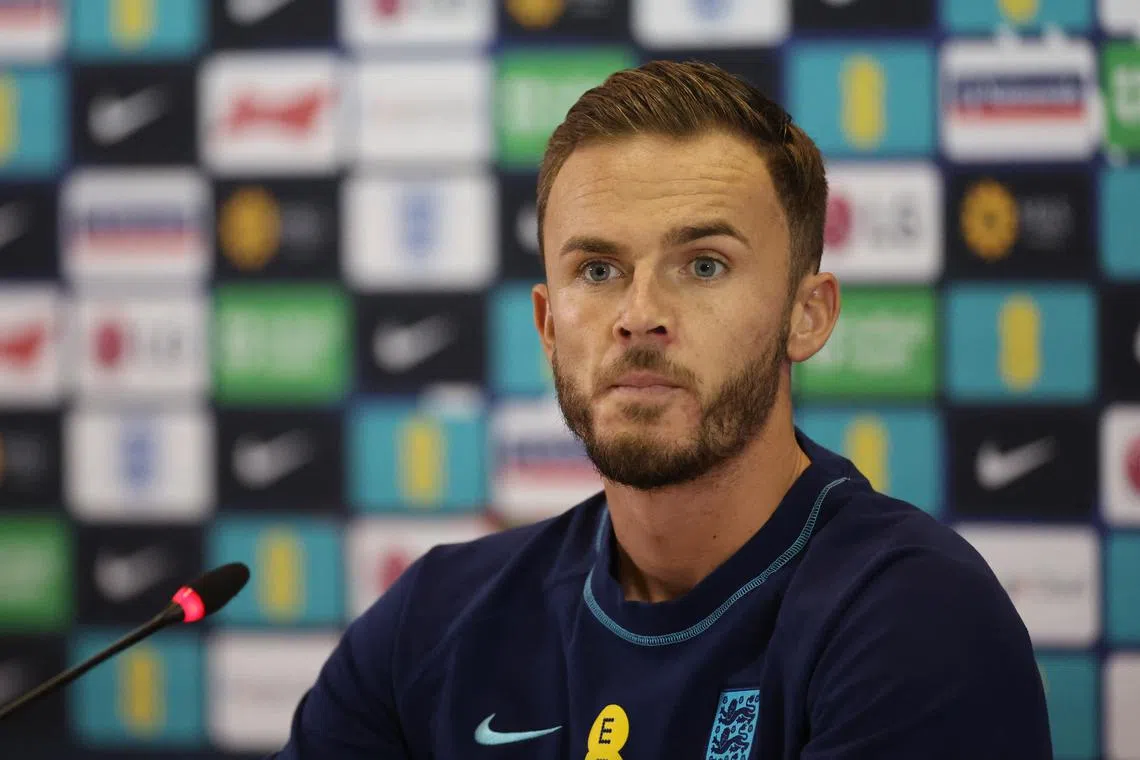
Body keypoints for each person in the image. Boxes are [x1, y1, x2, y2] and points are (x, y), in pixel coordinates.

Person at [269, 60, 1053, 759]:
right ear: (548, 325)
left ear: (807, 314)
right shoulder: (432, 621)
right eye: (599, 268)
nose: (640, 314)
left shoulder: (917, 621)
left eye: (704, 264)